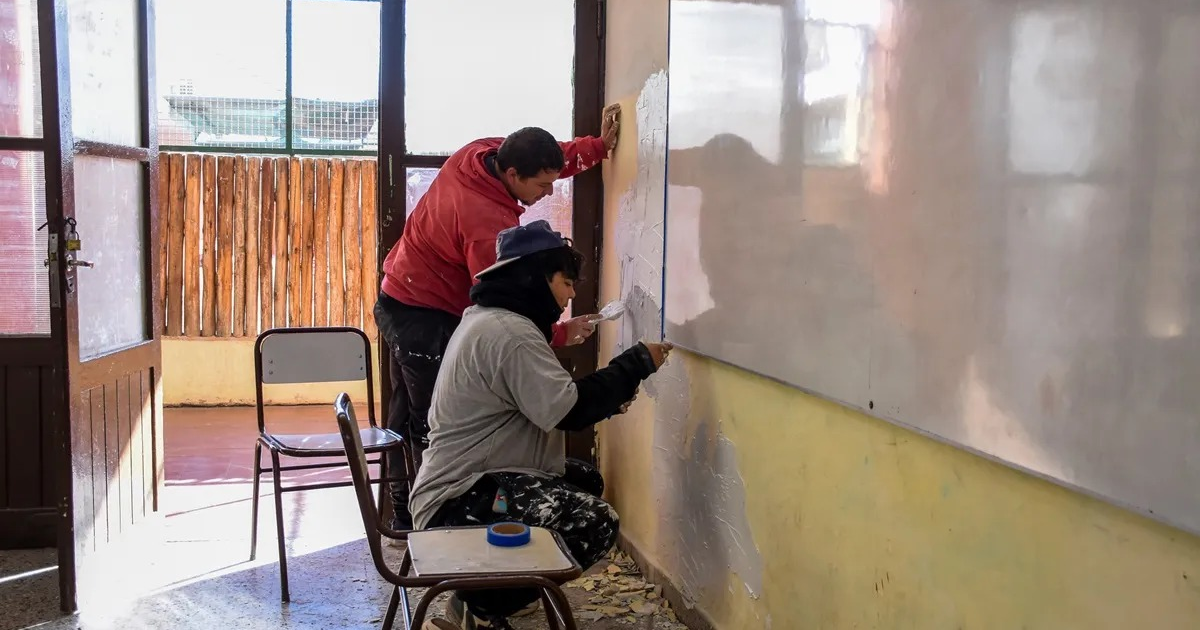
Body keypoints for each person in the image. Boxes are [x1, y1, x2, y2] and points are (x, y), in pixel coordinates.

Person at [413, 220, 672, 630]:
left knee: (583, 481)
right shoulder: (510, 333)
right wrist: (635, 364)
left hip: (471, 480)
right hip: (457, 503)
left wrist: (605, 396)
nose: (570, 294)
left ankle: (481, 597)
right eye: (566, 281)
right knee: (595, 522)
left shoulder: (490, 319)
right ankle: (480, 607)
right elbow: (568, 411)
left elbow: (551, 401)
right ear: (537, 277)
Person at [375, 107, 622, 529]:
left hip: (400, 290)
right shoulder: (486, 226)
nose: (549, 192)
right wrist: (560, 334)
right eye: (542, 185)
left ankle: (403, 514)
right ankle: (422, 524)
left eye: (552, 181)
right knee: (427, 418)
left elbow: (550, 155)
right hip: (423, 310)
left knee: (408, 407)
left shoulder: (482, 153)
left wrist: (595, 148)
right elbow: (504, 310)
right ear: (511, 174)